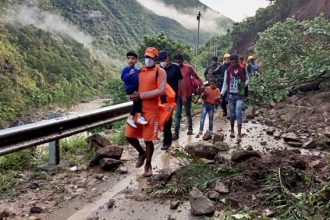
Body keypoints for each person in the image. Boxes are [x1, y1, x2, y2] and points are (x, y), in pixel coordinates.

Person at [125, 47, 166, 177]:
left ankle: (148, 164)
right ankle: (141, 153)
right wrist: (132, 95)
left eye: (150, 57)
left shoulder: (160, 72)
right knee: (129, 135)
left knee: (148, 140)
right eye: (146, 57)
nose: (147, 59)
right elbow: (134, 86)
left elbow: (161, 90)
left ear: (156, 59)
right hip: (138, 110)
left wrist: (141, 95)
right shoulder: (141, 71)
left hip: (151, 111)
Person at [158, 50, 185, 150]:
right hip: (160, 98)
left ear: (168, 58)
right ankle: (167, 138)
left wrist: (183, 95)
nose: (162, 61)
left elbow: (181, 81)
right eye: (160, 60)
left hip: (172, 99)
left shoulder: (175, 68)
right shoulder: (159, 69)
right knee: (164, 119)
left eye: (164, 59)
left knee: (167, 118)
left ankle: (166, 142)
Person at [221, 54, 249, 143]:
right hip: (230, 96)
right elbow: (225, 84)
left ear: (237, 61)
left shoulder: (243, 69)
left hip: (240, 95)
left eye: (235, 62)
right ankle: (232, 130)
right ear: (230, 62)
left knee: (238, 112)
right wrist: (221, 94)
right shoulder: (227, 71)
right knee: (232, 115)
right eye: (232, 62)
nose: (234, 64)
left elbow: (248, 79)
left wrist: (246, 84)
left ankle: (239, 135)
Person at [172, 54, 202, 140]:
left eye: (179, 61)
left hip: (188, 94)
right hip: (177, 95)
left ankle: (190, 128)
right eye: (176, 62)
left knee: (188, 112)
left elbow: (196, 76)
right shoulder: (174, 68)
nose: (178, 63)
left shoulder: (189, 68)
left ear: (182, 60)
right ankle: (176, 133)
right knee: (178, 114)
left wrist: (201, 84)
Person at [121, 51, 148, 128]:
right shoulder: (125, 69)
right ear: (126, 60)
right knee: (137, 100)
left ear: (136, 60)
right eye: (128, 58)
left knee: (137, 102)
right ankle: (138, 117)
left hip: (137, 88)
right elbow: (123, 78)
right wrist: (129, 74)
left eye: (133, 58)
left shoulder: (137, 70)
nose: (130, 60)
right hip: (130, 89)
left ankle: (133, 118)